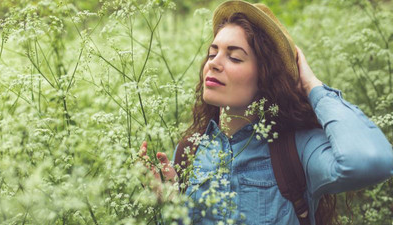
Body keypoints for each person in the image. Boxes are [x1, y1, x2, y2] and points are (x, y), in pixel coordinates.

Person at [139, 1, 393, 224]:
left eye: (235, 58)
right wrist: (172, 206)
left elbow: (370, 161)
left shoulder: (295, 148)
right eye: (212, 53)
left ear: (266, 76)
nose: (213, 63)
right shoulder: (190, 150)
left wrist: (311, 85)